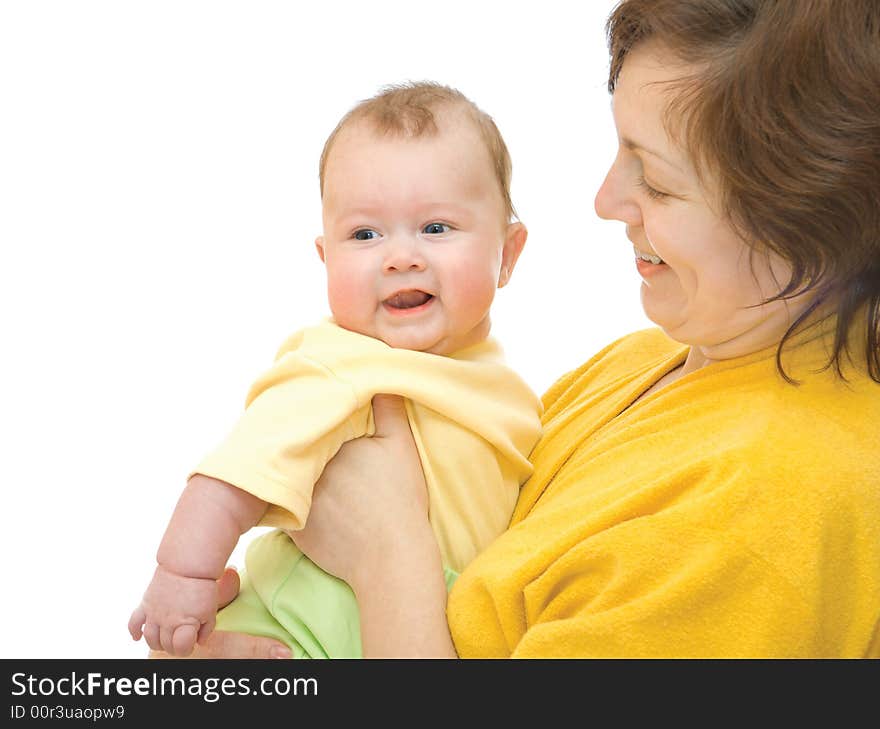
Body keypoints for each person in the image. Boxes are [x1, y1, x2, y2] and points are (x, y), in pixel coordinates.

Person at [165, 0, 880, 659]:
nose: (605, 200)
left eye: (656, 181)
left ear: (805, 215)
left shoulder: (750, 524)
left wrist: (388, 554)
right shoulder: (659, 359)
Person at [128, 82, 543, 658]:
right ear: (326, 260)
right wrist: (184, 576)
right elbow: (236, 473)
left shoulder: (510, 392)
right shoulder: (338, 367)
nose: (400, 256)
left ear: (509, 254)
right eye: (364, 235)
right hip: (294, 630)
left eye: (437, 228)